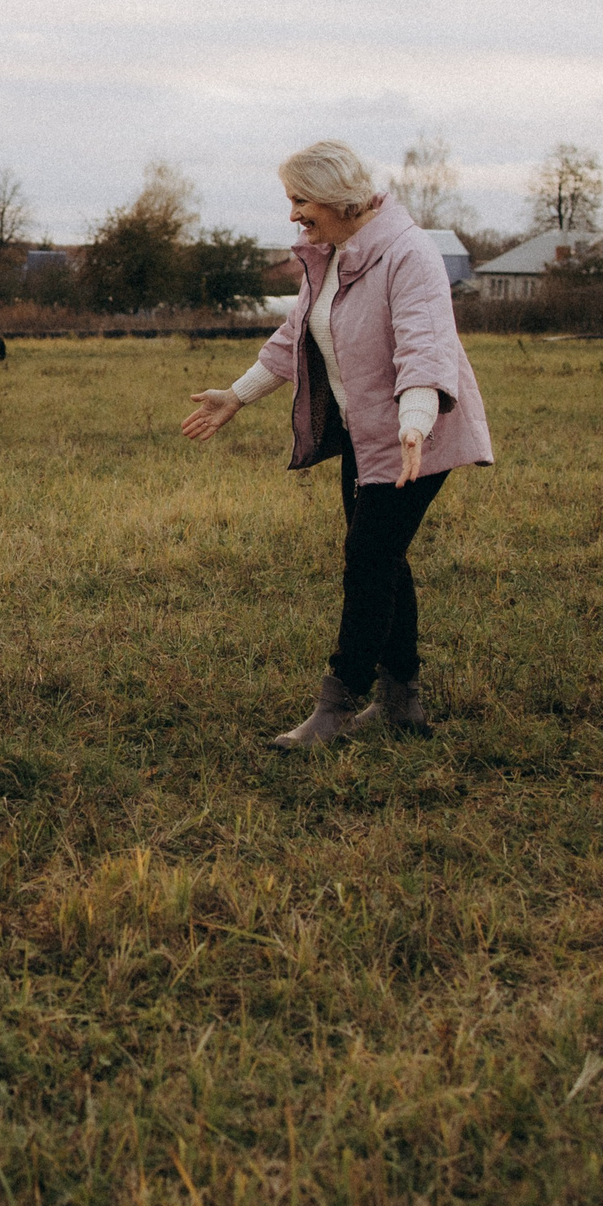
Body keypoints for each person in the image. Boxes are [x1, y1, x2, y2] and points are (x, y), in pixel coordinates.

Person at [180, 140, 491, 749]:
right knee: (383, 558)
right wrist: (237, 396)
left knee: (368, 562)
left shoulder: (409, 254)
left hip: (415, 437)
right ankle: (401, 701)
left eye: (301, 200)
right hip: (368, 436)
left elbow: (425, 348)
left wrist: (416, 422)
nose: (293, 214)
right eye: (290, 200)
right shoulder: (333, 254)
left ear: (339, 198)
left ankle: (336, 707)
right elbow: (296, 335)